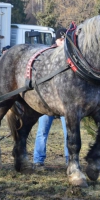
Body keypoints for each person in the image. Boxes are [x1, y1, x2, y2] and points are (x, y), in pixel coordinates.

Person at [33, 28, 69, 168]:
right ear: (56, 40)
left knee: (69, 132)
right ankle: (38, 159)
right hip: (48, 101)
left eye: (65, 39)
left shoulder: (70, 58)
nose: (63, 42)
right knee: (42, 131)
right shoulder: (48, 56)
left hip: (65, 101)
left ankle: (69, 159)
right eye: (61, 39)